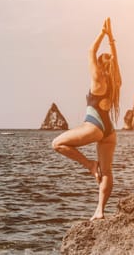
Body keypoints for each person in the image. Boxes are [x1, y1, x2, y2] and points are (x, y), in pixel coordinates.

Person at [52, 17, 121, 221]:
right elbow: (115, 63)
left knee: (57, 143)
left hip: (94, 126)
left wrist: (102, 33)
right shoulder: (116, 83)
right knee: (107, 170)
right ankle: (99, 211)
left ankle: (89, 165)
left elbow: (90, 51)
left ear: (100, 66)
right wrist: (112, 41)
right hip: (109, 131)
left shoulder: (98, 80)